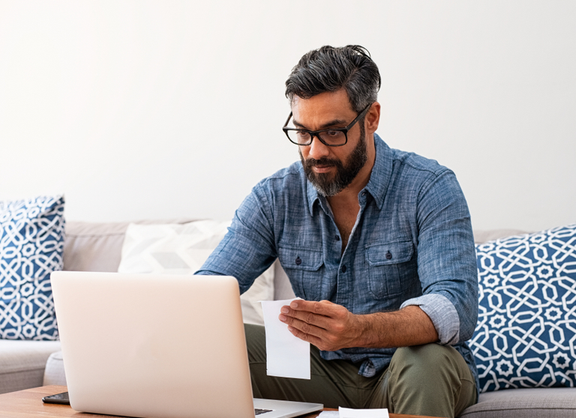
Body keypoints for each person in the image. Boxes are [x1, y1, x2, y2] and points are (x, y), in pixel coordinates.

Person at [196, 45, 478, 417]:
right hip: (318, 370)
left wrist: (359, 330)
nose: (315, 152)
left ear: (371, 118)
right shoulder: (274, 197)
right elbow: (206, 293)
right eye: (303, 132)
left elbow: (455, 306)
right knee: (212, 345)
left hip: (405, 372)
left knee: (426, 359)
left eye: (332, 132)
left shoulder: (429, 187)